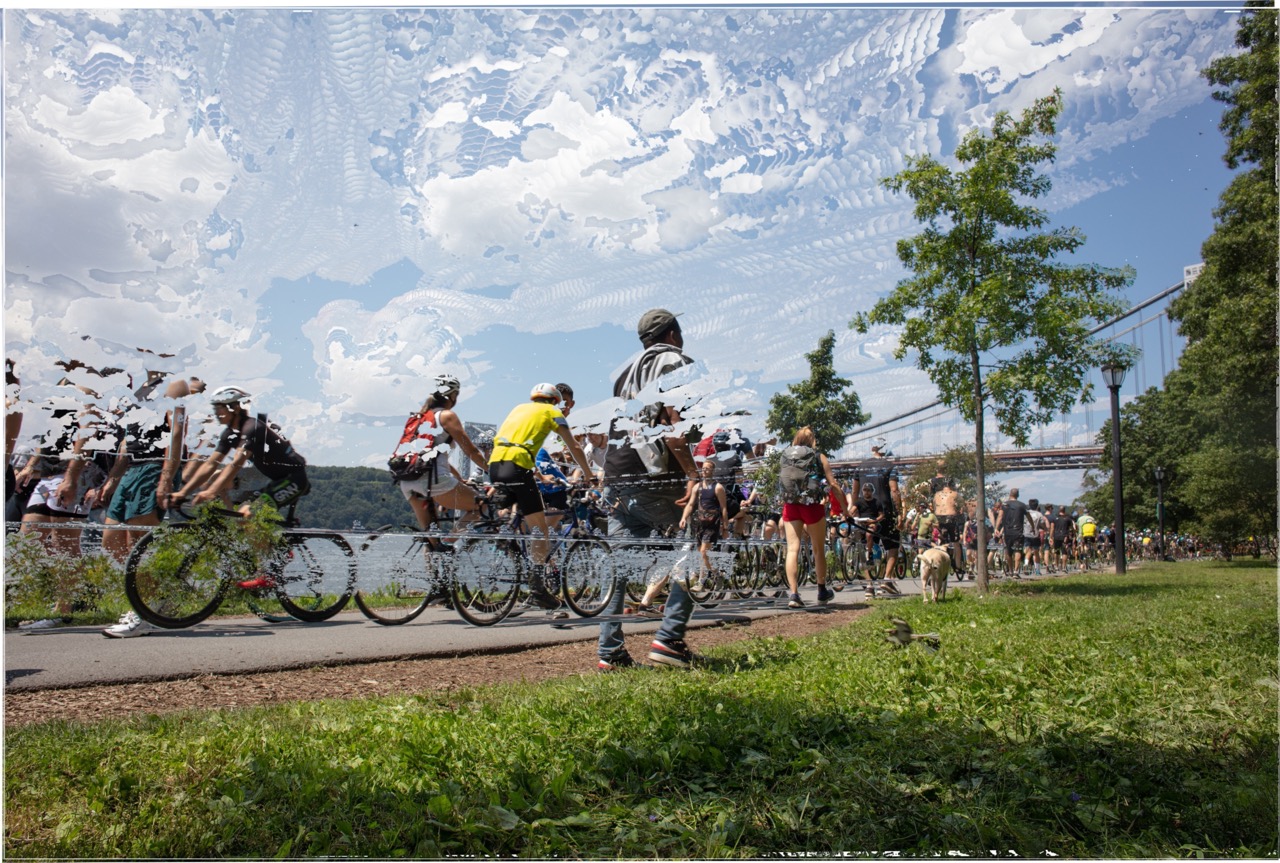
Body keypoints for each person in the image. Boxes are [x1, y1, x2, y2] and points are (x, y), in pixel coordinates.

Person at [597, 308, 701, 671]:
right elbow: (674, 421)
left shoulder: (625, 372)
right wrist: (692, 473)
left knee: (619, 567)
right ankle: (669, 640)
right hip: (655, 480)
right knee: (692, 546)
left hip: (617, 475)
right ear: (672, 333)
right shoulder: (675, 361)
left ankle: (610, 653)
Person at [168, 387, 310, 590]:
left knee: (248, 513)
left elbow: (236, 464)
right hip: (278, 481)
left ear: (234, 407)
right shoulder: (230, 434)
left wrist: (210, 492)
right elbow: (210, 464)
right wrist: (183, 492)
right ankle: (273, 551)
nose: (216, 413)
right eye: (214, 408)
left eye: (219, 408)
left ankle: (272, 567)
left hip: (294, 479)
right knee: (239, 513)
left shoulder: (252, 427)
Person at [488, 382, 595, 609]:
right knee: (541, 530)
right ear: (555, 400)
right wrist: (587, 473)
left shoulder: (518, 409)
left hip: (496, 465)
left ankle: (509, 538)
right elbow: (574, 447)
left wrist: (538, 474)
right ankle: (537, 588)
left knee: (517, 512)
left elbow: (516, 444)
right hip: (518, 467)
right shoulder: (552, 412)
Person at [390, 374, 490, 537]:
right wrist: (491, 470)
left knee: (431, 536)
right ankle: (451, 544)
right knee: (480, 505)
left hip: (408, 482)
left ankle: (436, 557)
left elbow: (429, 456)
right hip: (434, 481)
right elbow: (470, 451)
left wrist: (458, 478)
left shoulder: (419, 418)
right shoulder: (446, 416)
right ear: (452, 395)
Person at [777, 426, 841, 609]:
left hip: (790, 506)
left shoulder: (786, 455)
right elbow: (833, 483)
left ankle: (794, 594)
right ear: (812, 439)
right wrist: (843, 506)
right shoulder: (818, 456)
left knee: (792, 550)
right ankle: (821, 590)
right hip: (811, 506)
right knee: (818, 548)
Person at [852, 439, 901, 597]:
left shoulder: (860, 467)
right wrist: (899, 512)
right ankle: (886, 580)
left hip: (865, 515)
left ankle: (869, 587)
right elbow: (894, 491)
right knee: (893, 547)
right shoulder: (890, 466)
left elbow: (854, 492)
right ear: (885, 450)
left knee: (867, 549)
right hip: (885, 513)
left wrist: (854, 508)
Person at [679, 458, 728, 596]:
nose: (704, 470)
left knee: (704, 553)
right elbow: (690, 504)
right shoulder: (697, 487)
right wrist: (683, 517)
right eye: (703, 468)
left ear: (712, 470)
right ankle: (717, 575)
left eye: (707, 468)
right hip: (700, 524)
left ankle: (701, 582)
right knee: (702, 554)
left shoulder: (718, 488)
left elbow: (724, 508)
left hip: (713, 524)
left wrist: (724, 527)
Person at [995, 488, 1034, 577]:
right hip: (1018, 531)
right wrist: (1032, 526)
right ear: (1018, 495)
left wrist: (996, 528)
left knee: (1008, 551)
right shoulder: (1022, 505)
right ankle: (1016, 572)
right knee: (1018, 550)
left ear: (1010, 494)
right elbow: (1029, 517)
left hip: (1007, 531)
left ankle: (1011, 570)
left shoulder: (1004, 505)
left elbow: (1000, 516)